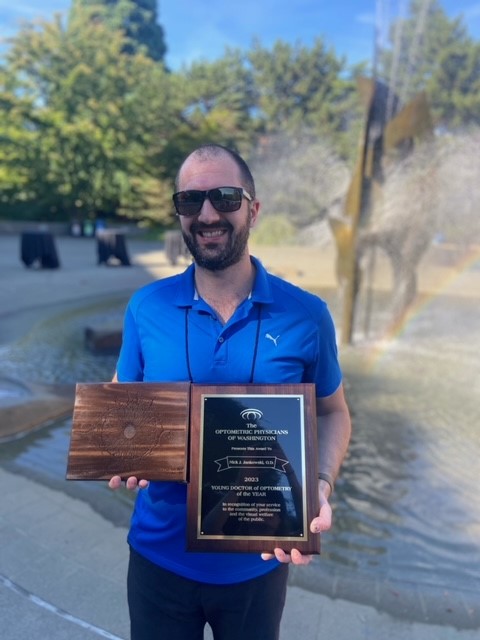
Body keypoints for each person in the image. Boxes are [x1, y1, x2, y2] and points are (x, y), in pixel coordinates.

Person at [109, 143, 351, 640]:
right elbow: (120, 399)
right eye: (189, 201)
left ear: (253, 209)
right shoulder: (145, 306)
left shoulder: (306, 314)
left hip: (258, 566)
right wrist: (120, 446)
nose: (207, 214)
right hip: (157, 559)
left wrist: (319, 487)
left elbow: (333, 413)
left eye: (224, 196)